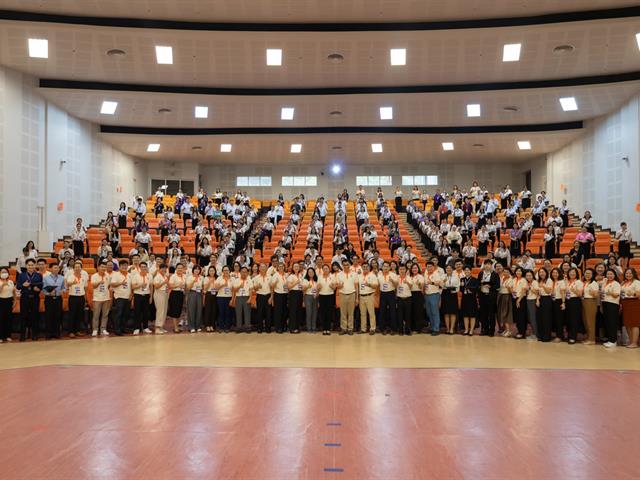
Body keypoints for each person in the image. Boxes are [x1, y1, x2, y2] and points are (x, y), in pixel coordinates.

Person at [16, 258, 43, 341]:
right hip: (24, 298)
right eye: (29, 265)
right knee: (23, 316)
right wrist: (23, 285)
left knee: (35, 316)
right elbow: (18, 286)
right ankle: (22, 335)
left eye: (32, 265)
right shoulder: (21, 275)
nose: (31, 266)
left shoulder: (38, 275)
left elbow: (41, 286)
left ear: (35, 266)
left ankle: (35, 334)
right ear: (26, 266)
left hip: (35, 298)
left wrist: (38, 289)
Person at [477, 259, 500, 336]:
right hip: (482, 296)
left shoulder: (495, 274)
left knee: (491, 314)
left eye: (489, 264)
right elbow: (477, 284)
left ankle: (491, 331)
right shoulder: (481, 273)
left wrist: (490, 286)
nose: (487, 265)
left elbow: (497, 286)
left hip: (491, 297)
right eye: (485, 264)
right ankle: (484, 330)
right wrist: (480, 286)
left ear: (491, 265)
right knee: (483, 314)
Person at [336, 260, 358, 335]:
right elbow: (337, 285)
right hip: (342, 294)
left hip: (352, 294)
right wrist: (339, 286)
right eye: (344, 265)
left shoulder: (354, 274)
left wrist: (357, 298)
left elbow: (356, 286)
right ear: (342, 266)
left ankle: (350, 328)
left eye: (347, 265)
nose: (346, 266)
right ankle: (343, 328)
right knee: (343, 313)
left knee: (351, 313)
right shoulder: (339, 274)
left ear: (349, 265)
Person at [110, 259, 132, 336]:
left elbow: (131, 286)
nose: (124, 267)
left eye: (126, 265)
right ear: (119, 266)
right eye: (123, 265)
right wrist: (121, 283)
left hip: (127, 297)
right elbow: (112, 284)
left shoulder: (129, 275)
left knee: (126, 314)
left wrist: (131, 295)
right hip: (119, 297)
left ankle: (123, 328)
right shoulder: (116, 274)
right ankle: (117, 330)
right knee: (118, 314)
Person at [42, 263, 64, 339]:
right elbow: (43, 289)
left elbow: (64, 288)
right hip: (49, 299)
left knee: (58, 316)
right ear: (51, 269)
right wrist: (48, 293)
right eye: (55, 268)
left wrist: (62, 291)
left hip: (58, 298)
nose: (56, 269)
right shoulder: (45, 278)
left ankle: (57, 333)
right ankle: (48, 333)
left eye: (58, 268)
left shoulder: (62, 278)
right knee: (49, 316)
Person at [90, 260, 111, 337]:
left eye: (104, 267)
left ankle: (103, 329)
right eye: (102, 267)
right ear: (98, 267)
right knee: (96, 315)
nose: (103, 268)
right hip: (97, 298)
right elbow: (93, 286)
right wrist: (99, 282)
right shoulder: (94, 276)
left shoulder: (107, 276)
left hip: (106, 298)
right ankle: (95, 329)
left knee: (105, 315)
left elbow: (108, 286)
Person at [130, 262, 152, 335]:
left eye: (145, 267)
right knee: (137, 312)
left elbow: (151, 286)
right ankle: (137, 328)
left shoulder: (149, 275)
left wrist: (151, 296)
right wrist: (140, 285)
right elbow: (133, 287)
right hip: (138, 295)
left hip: (146, 295)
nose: (143, 268)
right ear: (139, 268)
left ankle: (145, 327)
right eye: (142, 267)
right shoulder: (135, 276)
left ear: (146, 267)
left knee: (146, 312)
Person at [601, 269, 621, 348]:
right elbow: (602, 294)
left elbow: (616, 295)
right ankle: (610, 339)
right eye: (608, 274)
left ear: (614, 275)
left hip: (612, 304)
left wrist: (610, 293)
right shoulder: (605, 283)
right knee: (608, 322)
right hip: (605, 303)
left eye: (611, 274)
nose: (609, 276)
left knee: (612, 323)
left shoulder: (616, 283)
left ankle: (613, 341)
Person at [621, 268, 640, 348]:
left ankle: (635, 343)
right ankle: (631, 341)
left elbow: (638, 294)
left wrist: (633, 293)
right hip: (625, 303)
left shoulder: (637, 282)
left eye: (630, 273)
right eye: (627, 273)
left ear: (634, 274)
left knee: (634, 323)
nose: (628, 275)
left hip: (634, 303)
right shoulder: (624, 283)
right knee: (627, 323)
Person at [377, 262, 398, 335]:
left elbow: (396, 286)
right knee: (382, 311)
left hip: (391, 293)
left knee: (393, 311)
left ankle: (393, 328)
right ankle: (383, 328)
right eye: (384, 266)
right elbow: (377, 286)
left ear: (389, 268)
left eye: (387, 266)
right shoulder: (379, 275)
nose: (385, 268)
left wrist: (392, 281)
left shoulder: (393, 275)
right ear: (382, 267)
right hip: (383, 294)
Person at [580, 268, 599, 345]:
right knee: (585, 320)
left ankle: (592, 339)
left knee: (590, 321)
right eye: (586, 273)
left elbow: (595, 294)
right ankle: (588, 337)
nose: (587, 275)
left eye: (589, 273)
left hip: (590, 301)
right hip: (583, 301)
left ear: (593, 275)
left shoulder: (594, 283)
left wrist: (594, 293)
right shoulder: (585, 282)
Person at [564, 267, 583, 345]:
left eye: (574, 272)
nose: (572, 274)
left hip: (575, 301)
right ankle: (569, 335)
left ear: (576, 274)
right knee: (568, 319)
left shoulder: (579, 282)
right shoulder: (567, 281)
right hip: (567, 301)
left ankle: (573, 337)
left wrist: (573, 289)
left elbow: (580, 294)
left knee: (573, 319)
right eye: (570, 272)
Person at [423, 261, 443, 335]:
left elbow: (440, 283)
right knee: (429, 312)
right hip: (427, 294)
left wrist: (431, 283)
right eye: (428, 266)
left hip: (434, 294)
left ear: (433, 267)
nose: (429, 268)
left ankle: (436, 329)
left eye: (431, 266)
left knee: (435, 312)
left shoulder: (436, 274)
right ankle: (432, 327)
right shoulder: (425, 273)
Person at [232, 267, 253, 333]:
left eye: (245, 272)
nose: (244, 273)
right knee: (238, 312)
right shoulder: (236, 280)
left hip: (246, 297)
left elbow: (251, 289)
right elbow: (234, 290)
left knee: (247, 313)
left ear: (247, 273)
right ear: (240, 272)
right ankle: (239, 327)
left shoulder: (249, 280)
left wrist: (250, 298)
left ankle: (247, 327)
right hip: (238, 297)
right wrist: (239, 286)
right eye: (242, 272)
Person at [252, 264, 272, 334]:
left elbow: (272, 288)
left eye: (264, 267)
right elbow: (254, 289)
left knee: (268, 313)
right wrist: (257, 287)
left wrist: (271, 297)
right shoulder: (256, 278)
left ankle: (268, 328)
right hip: (260, 296)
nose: (263, 268)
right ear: (259, 269)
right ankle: (259, 328)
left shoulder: (270, 277)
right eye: (261, 267)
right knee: (259, 313)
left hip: (268, 296)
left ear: (266, 268)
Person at [168, 264, 187, 333]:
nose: (180, 269)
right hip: (175, 294)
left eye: (181, 268)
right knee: (175, 311)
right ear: (176, 269)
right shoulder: (173, 276)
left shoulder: (184, 276)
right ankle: (175, 327)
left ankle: (177, 327)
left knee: (179, 311)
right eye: (178, 268)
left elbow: (185, 285)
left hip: (181, 294)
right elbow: (170, 286)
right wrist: (178, 285)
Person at [270, 263, 289, 334]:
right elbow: (271, 286)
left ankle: (284, 326)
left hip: (285, 294)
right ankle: (278, 327)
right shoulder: (275, 275)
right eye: (280, 266)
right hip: (278, 294)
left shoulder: (286, 275)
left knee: (284, 311)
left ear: (284, 267)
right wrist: (275, 283)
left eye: (282, 266)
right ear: (278, 268)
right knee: (278, 311)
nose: (281, 267)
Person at [510, 267, 528, 339]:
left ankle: (522, 332)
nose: (518, 272)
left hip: (521, 299)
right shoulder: (514, 279)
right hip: (514, 298)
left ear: (522, 272)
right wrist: (512, 290)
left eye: (520, 271)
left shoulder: (524, 280)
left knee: (521, 316)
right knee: (517, 316)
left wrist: (519, 300)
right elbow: (510, 287)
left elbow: (524, 291)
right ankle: (519, 331)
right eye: (517, 271)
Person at [441, 264, 460, 335]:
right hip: (445, 293)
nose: (448, 270)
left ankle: (452, 329)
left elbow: (458, 287)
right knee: (446, 312)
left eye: (450, 268)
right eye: (447, 268)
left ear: (452, 269)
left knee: (452, 312)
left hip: (453, 294)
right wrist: (443, 281)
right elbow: (440, 286)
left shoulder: (456, 276)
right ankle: (447, 328)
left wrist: (454, 291)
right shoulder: (443, 276)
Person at [214, 266, 234, 333]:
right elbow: (215, 288)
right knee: (221, 312)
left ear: (229, 271)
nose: (226, 271)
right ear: (222, 271)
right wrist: (222, 285)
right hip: (220, 297)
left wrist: (233, 299)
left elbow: (234, 290)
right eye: (224, 270)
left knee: (228, 313)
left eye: (227, 270)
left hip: (229, 297)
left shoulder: (232, 278)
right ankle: (221, 327)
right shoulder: (219, 278)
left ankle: (227, 327)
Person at [495, 264, 513, 337]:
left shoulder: (510, 279)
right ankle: (505, 329)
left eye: (507, 272)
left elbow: (511, 290)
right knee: (501, 313)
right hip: (501, 295)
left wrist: (508, 288)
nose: (505, 273)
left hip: (506, 296)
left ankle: (509, 330)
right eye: (504, 272)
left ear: (510, 273)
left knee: (505, 313)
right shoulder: (502, 278)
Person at [536, 268, 553, 342]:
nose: (541, 273)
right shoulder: (539, 280)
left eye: (543, 272)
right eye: (540, 272)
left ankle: (547, 336)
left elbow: (549, 291)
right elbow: (538, 292)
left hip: (547, 299)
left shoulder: (549, 280)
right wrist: (537, 300)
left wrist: (543, 285)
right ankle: (541, 335)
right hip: (540, 299)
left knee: (546, 318)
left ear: (546, 273)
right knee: (540, 318)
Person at [460, 266, 479, 336]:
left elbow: (476, 288)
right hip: (464, 298)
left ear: (470, 271)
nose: (466, 271)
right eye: (465, 270)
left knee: (472, 315)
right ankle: (466, 329)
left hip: (472, 299)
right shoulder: (462, 279)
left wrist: (469, 289)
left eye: (468, 270)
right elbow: (461, 289)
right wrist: (462, 287)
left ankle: (471, 330)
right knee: (465, 315)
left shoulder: (474, 279)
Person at [318, 264, 335, 336]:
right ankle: (324, 329)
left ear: (329, 269)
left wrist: (332, 286)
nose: (325, 270)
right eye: (324, 269)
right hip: (322, 295)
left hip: (330, 295)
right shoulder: (320, 277)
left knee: (329, 312)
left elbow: (334, 287)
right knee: (323, 312)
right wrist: (318, 287)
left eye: (327, 268)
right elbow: (318, 287)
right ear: (322, 270)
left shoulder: (332, 276)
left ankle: (328, 329)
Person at [395, 264, 413, 335]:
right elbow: (394, 286)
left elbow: (411, 286)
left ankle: (408, 330)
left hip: (408, 299)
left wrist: (407, 282)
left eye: (403, 269)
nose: (402, 271)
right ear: (398, 270)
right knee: (400, 315)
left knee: (407, 315)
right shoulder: (397, 277)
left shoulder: (408, 277)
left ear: (406, 270)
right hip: (399, 299)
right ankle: (400, 330)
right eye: (400, 269)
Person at [186, 265, 205, 333]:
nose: (197, 270)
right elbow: (188, 287)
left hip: (199, 294)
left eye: (198, 269)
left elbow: (203, 287)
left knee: (199, 310)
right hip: (192, 293)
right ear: (193, 270)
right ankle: (191, 326)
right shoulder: (189, 277)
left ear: (200, 271)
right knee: (191, 310)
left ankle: (198, 326)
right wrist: (194, 281)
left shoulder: (202, 277)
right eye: (195, 269)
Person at [286, 263, 304, 333]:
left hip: (299, 293)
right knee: (293, 311)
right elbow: (289, 287)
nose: (296, 268)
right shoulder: (291, 276)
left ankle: (297, 327)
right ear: (293, 268)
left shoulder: (300, 275)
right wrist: (296, 282)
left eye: (297, 266)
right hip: (293, 293)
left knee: (298, 311)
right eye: (295, 266)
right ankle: (292, 328)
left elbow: (301, 285)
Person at [153, 263, 170, 334]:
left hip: (165, 293)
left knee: (164, 311)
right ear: (159, 269)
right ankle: (157, 327)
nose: (164, 269)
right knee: (160, 311)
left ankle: (161, 327)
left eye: (165, 268)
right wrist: (164, 282)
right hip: (159, 293)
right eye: (162, 268)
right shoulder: (157, 276)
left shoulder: (165, 276)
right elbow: (156, 286)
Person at [302, 267, 319, 333]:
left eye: (312, 272)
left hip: (315, 297)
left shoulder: (316, 280)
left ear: (314, 273)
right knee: (309, 312)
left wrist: (317, 294)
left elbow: (318, 290)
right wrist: (307, 287)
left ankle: (314, 327)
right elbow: (303, 289)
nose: (311, 273)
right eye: (309, 272)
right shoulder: (305, 280)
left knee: (315, 312)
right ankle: (309, 328)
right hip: (308, 296)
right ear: (307, 273)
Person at [203, 266, 218, 333]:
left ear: (215, 271)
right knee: (208, 310)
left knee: (214, 310)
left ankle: (212, 325)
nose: (212, 272)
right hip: (208, 294)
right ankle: (207, 325)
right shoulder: (206, 278)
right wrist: (210, 282)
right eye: (210, 270)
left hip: (215, 294)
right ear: (208, 271)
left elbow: (218, 287)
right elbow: (205, 288)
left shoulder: (217, 278)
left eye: (213, 270)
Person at [524, 270, 539, 340]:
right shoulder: (527, 282)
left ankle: (536, 335)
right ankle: (533, 333)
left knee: (533, 318)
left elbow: (537, 293)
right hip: (528, 300)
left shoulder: (535, 282)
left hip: (533, 300)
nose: (528, 277)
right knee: (530, 318)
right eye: (527, 276)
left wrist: (529, 288)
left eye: (530, 275)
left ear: (533, 276)